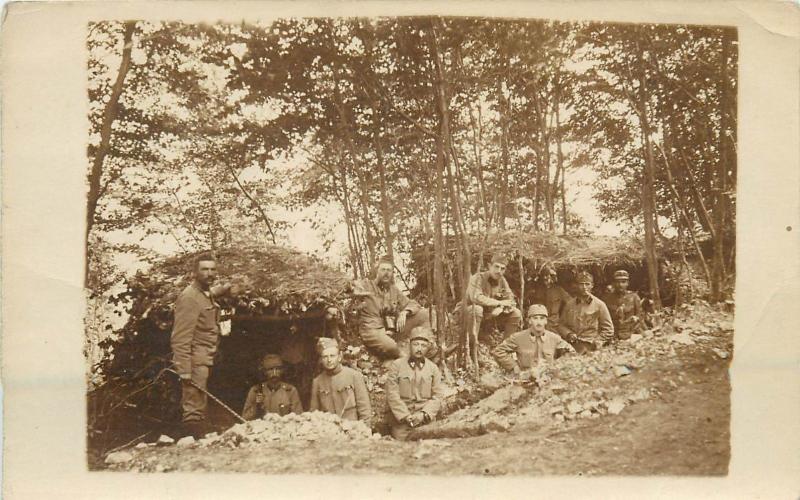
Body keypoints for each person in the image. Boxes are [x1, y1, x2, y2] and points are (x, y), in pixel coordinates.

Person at [170, 253, 230, 438]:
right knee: (193, 404)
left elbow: (208, 295)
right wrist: (184, 369)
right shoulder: (189, 298)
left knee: (200, 400)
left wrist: (223, 288)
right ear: (194, 273)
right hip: (194, 359)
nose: (209, 273)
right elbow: (180, 337)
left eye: (212, 269)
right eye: (204, 269)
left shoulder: (204, 294)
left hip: (205, 356)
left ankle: (200, 436)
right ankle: (192, 441)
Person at [353, 256, 431, 359]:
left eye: (389, 270)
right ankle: (408, 359)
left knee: (424, 314)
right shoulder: (366, 285)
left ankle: (429, 347)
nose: (386, 273)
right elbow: (350, 287)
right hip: (372, 330)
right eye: (383, 269)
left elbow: (413, 304)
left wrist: (405, 312)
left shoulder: (393, 290)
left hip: (391, 328)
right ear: (377, 271)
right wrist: (355, 291)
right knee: (391, 347)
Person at [384, 327, 447, 441]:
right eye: (416, 344)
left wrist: (424, 414)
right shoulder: (396, 366)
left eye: (423, 345)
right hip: (402, 422)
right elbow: (392, 395)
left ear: (428, 348)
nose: (419, 349)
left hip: (425, 421)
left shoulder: (433, 369)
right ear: (409, 345)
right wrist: (405, 416)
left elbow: (437, 396)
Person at [493, 304, 575, 379]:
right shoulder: (518, 337)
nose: (539, 322)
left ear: (546, 321)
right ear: (529, 321)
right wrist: (514, 367)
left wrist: (558, 366)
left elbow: (571, 352)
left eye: (542, 318)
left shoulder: (554, 338)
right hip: (524, 380)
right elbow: (498, 351)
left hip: (548, 381)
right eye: (535, 318)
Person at [309, 338, 372, 424]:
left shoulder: (354, 376)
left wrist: (363, 431)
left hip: (352, 429)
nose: (329, 360)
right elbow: (314, 414)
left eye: (332, 356)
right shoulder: (317, 382)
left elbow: (364, 410)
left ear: (339, 357)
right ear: (321, 359)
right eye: (325, 357)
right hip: (330, 432)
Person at [460, 254, 522, 339]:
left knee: (516, 313)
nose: (499, 271)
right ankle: (472, 345)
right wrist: (499, 303)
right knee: (477, 309)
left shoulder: (502, 280)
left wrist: (501, 307)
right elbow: (476, 298)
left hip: (490, 315)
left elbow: (510, 300)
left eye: (502, 268)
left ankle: (505, 347)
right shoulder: (477, 278)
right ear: (489, 266)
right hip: (467, 314)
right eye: (496, 266)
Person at [557, 271, 615, 353]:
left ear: (592, 286)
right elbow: (561, 325)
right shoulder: (569, 304)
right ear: (576, 286)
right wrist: (568, 334)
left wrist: (597, 341)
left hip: (591, 345)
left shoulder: (599, 305)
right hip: (572, 345)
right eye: (581, 284)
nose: (584, 287)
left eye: (587, 284)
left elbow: (609, 329)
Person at [241, 354, 303, 420]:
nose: (274, 373)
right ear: (264, 372)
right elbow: (244, 418)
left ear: (282, 371)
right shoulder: (255, 391)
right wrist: (256, 405)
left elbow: (299, 417)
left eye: (278, 369)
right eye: (270, 369)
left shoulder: (290, 391)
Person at [603, 269, 646, 340]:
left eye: (623, 282)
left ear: (627, 283)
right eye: (617, 282)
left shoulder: (634, 297)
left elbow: (640, 317)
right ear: (613, 283)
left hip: (631, 333)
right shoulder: (607, 299)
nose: (620, 285)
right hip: (613, 334)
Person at [531, 266, 571, 331]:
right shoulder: (538, 290)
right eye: (543, 276)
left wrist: (563, 317)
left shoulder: (559, 290)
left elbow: (570, 303)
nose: (545, 278)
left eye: (547, 276)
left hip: (554, 324)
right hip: (540, 322)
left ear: (552, 277)